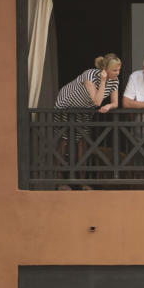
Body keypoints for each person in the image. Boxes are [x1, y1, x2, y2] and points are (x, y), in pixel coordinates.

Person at [53, 53, 121, 189]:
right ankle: (60, 182)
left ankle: (82, 182)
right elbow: (96, 101)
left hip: (84, 110)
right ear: (105, 70)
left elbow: (115, 103)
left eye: (119, 70)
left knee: (83, 142)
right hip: (66, 107)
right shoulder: (90, 75)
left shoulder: (115, 81)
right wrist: (103, 81)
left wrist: (109, 106)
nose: (118, 73)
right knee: (63, 141)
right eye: (114, 70)